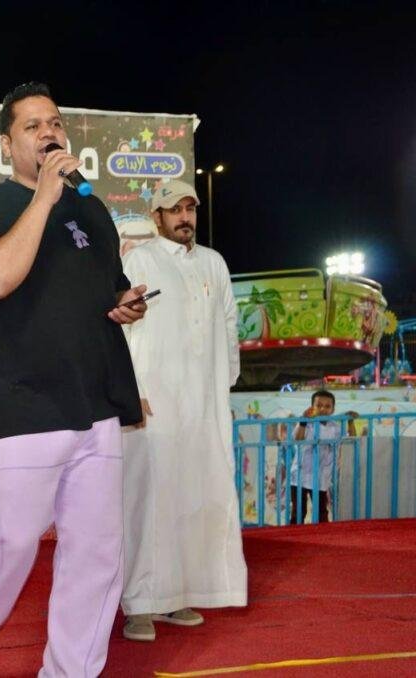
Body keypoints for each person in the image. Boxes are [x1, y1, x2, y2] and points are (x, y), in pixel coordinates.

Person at [0, 82, 147, 678]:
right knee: (10, 543)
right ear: (8, 145)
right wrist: (45, 197)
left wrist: (126, 303)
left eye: (54, 122)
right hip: (24, 403)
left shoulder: (94, 210)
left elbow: (110, 289)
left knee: (96, 555)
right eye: (32, 126)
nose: (48, 132)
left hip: (95, 404)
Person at [119, 179, 247, 643]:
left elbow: (228, 325)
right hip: (153, 407)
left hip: (203, 407)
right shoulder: (140, 260)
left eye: (190, 209)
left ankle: (177, 595)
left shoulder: (214, 263)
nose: (185, 218)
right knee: (147, 503)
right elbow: (122, 332)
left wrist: (221, 387)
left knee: (193, 498)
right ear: (157, 216)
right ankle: (138, 604)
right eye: (175, 210)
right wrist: (131, 393)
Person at [288, 390, 357, 524]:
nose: (323, 409)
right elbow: (297, 439)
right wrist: (303, 422)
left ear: (333, 409)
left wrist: (350, 422)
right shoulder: (306, 423)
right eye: (319, 405)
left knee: (322, 513)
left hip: (321, 477)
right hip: (300, 475)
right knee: (298, 513)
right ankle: (294, 535)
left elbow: (351, 439)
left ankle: (323, 536)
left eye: (327, 406)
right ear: (312, 407)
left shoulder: (335, 427)